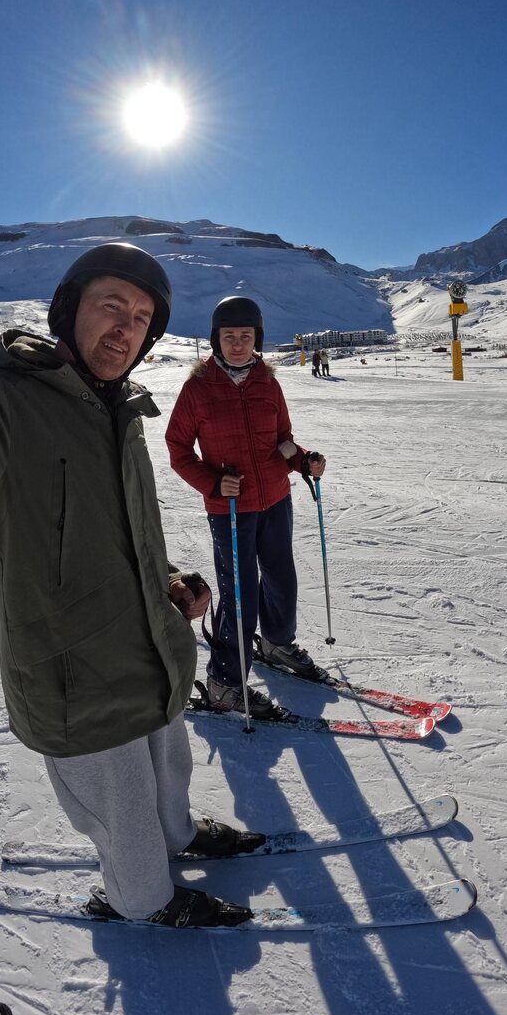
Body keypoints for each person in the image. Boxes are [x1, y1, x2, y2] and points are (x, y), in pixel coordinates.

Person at [0, 243, 260, 928]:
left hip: (149, 641)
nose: (125, 327)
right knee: (121, 808)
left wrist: (168, 580)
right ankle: (143, 900)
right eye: (112, 305)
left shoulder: (122, 407)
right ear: (68, 308)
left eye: (141, 318)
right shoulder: (2, 401)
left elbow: (120, 523)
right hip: (75, 666)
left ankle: (179, 834)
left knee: (168, 762)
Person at [165, 296, 326, 719]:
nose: (238, 344)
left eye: (246, 336)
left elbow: (283, 440)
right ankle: (224, 682)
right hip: (230, 509)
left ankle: (276, 643)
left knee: (281, 578)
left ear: (258, 339)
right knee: (241, 595)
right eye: (229, 336)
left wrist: (303, 461)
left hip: (275, 498)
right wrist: (213, 483)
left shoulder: (268, 384)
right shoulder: (198, 389)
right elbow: (178, 448)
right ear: (216, 339)